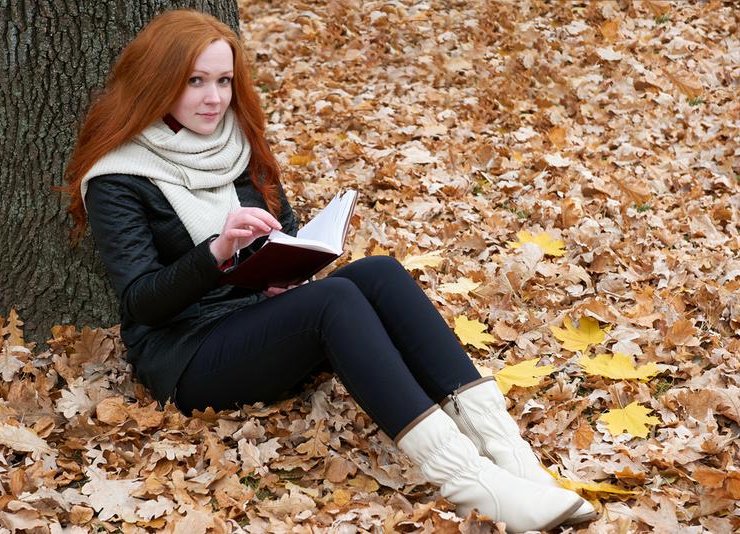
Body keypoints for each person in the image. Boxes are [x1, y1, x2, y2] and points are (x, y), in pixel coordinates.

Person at [62, 9, 596, 531]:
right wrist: (217, 251)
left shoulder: (234, 143)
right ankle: (472, 485)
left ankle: (514, 460)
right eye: (195, 81)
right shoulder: (118, 177)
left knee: (379, 273)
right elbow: (140, 301)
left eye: (224, 81)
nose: (215, 98)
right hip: (188, 355)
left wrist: (289, 269)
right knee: (333, 302)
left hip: (259, 321)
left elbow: (285, 228)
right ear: (157, 84)